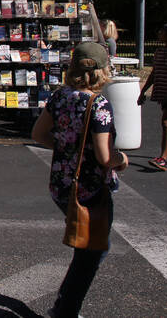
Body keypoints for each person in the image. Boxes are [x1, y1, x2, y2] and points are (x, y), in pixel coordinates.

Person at [32, 42, 128, 318]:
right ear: (101, 71)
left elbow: (38, 134)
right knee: (93, 251)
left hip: (63, 184)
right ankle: (66, 310)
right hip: (90, 187)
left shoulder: (60, 97)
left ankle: (64, 305)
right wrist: (121, 160)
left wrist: (66, 148)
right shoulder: (98, 105)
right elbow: (103, 155)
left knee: (85, 246)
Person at [138, 23, 167, 171]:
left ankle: (163, 159)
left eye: (162, 31)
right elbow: (153, 74)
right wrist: (143, 91)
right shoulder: (159, 52)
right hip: (163, 94)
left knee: (166, 123)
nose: (159, 33)